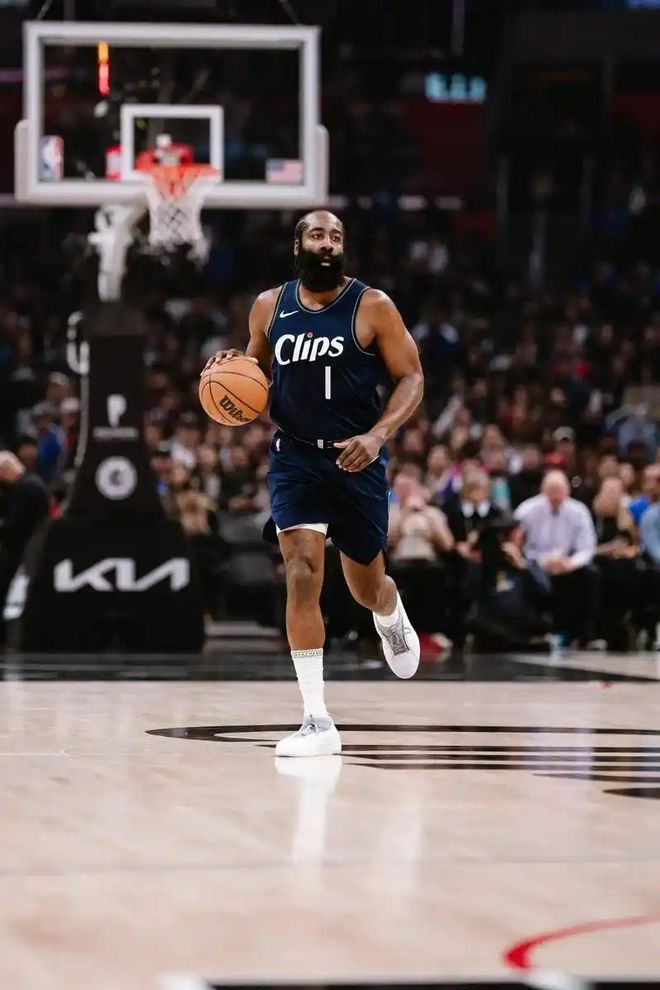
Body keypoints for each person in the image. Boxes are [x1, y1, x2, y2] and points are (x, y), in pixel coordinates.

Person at [203, 210, 424, 757]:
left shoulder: (372, 305)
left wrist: (377, 434)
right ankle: (316, 720)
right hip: (296, 456)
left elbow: (412, 376)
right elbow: (254, 374)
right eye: (318, 235)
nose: (328, 244)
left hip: (356, 456)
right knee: (301, 573)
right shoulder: (267, 306)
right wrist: (231, 371)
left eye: (336, 237)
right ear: (298, 246)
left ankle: (389, 609)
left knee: (365, 588)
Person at [515, 470, 599, 646]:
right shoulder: (526, 511)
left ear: (568, 490)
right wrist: (544, 561)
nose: (555, 495)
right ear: (542, 490)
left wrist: (570, 563)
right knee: (528, 576)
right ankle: (536, 631)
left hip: (567, 563)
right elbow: (519, 545)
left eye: (559, 489)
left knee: (590, 574)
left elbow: (587, 547)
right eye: (551, 489)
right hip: (535, 562)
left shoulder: (579, 511)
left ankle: (584, 635)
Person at [0, 451, 49, 642]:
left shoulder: (27, 488)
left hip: (25, 549)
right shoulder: (29, 484)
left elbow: (16, 523)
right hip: (27, 547)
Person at [592, 476, 643, 649]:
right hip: (596, 560)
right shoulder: (591, 515)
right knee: (603, 576)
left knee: (634, 572)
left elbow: (635, 545)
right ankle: (600, 631)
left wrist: (628, 552)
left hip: (620, 563)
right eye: (609, 491)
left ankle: (629, 624)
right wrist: (606, 549)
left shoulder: (626, 518)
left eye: (616, 492)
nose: (612, 496)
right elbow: (584, 547)